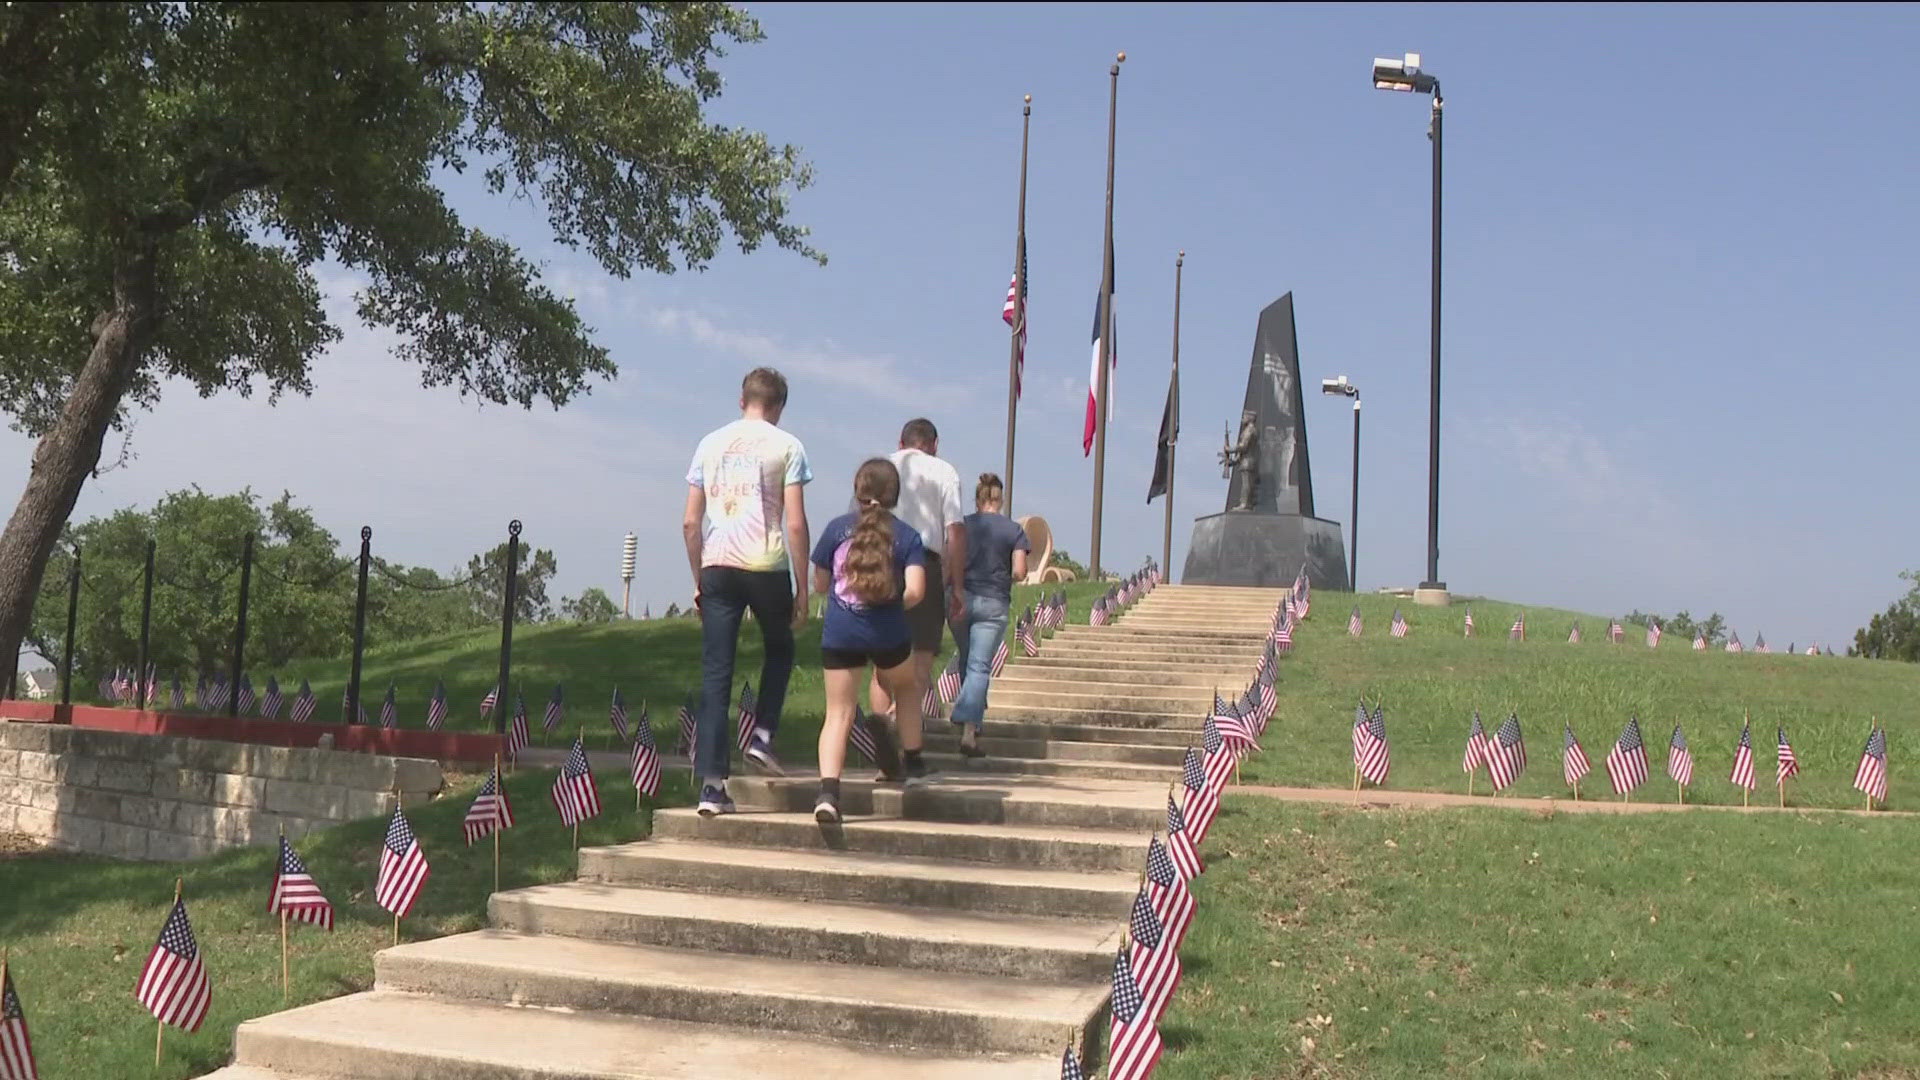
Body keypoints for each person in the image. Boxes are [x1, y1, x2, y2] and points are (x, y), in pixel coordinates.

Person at [682, 368, 811, 816]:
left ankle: (712, 788)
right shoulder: (787, 446)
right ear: (778, 407)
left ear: (742, 400)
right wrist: (803, 589)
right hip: (765, 562)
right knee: (779, 649)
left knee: (716, 675)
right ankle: (761, 735)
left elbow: (689, 521)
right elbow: (793, 521)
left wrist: (699, 581)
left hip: (717, 562)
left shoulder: (709, 443)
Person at [812, 458, 931, 822]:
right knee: (907, 686)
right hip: (888, 632)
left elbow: (820, 585)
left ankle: (828, 794)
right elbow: (916, 592)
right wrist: (888, 602)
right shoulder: (908, 536)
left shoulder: (835, 530)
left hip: (840, 631)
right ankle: (913, 761)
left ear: (857, 490)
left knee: (838, 713)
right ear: (895, 495)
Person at [862, 418, 965, 732]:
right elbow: (955, 532)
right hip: (924, 563)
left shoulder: (880, 468)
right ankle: (902, 729)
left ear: (900, 441)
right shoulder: (944, 471)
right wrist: (957, 585)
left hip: (879, 561)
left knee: (881, 668)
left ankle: (881, 741)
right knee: (920, 662)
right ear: (934, 445)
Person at [949, 473, 1029, 753]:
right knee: (979, 665)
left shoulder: (962, 526)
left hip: (960, 599)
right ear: (1001, 499)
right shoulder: (1014, 530)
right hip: (994, 601)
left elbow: (949, 561)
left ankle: (969, 718)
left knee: (968, 659)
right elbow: (1019, 571)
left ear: (978, 499)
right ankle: (969, 730)